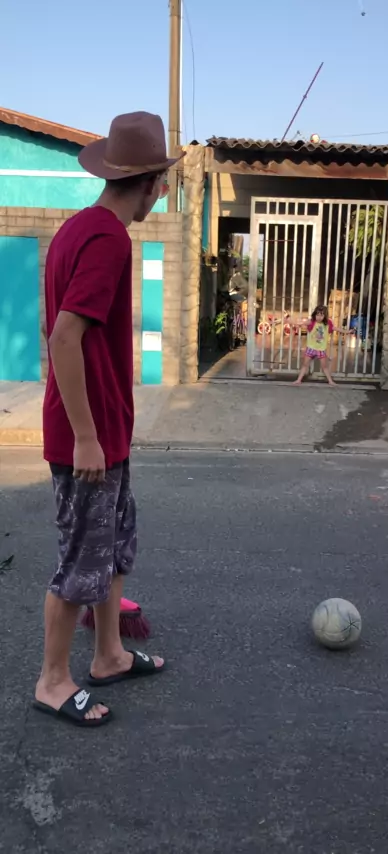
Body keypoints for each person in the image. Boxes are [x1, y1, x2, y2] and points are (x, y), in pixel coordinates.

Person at [34, 112, 183, 728]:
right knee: (81, 559)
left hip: (105, 431)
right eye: (161, 184)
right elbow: (64, 338)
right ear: (147, 184)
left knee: (114, 547)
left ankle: (109, 655)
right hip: (87, 437)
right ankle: (52, 681)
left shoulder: (79, 229)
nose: (161, 193)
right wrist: (87, 438)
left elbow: (67, 333)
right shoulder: (106, 239)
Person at [293, 305, 350, 387]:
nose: (319, 317)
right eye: (317, 315)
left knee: (324, 367)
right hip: (311, 348)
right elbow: (302, 323)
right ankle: (298, 380)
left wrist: (347, 331)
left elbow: (336, 328)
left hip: (321, 349)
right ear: (315, 315)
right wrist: (295, 323)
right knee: (305, 364)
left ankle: (330, 381)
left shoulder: (328, 324)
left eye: (321, 315)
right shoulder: (312, 322)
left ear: (325, 316)